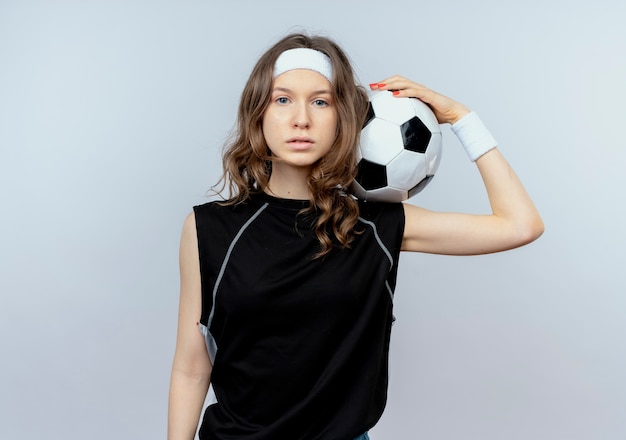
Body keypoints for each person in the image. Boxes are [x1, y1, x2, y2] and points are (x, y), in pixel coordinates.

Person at [167, 33, 544, 440]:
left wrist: (462, 118)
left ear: (344, 117)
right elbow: (192, 368)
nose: (301, 119)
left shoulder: (375, 225)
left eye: (320, 101)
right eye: (282, 99)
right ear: (258, 112)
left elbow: (520, 224)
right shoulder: (208, 228)